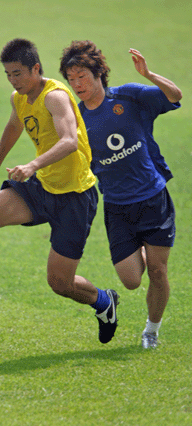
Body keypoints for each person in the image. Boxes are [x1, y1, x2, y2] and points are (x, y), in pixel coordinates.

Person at [0, 38, 120, 344]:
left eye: (18, 73)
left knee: (60, 283)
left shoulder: (56, 97)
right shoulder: (19, 98)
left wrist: (33, 165)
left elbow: (69, 141)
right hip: (43, 186)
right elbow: (14, 127)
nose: (13, 80)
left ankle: (104, 302)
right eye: (8, 74)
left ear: (36, 68)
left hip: (75, 196)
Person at [59, 41, 182, 348]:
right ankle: (144, 248)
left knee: (158, 270)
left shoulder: (129, 96)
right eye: (71, 79)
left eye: (82, 76)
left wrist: (149, 74)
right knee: (130, 281)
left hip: (153, 198)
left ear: (99, 73)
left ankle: (151, 331)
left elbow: (174, 96)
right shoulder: (76, 120)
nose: (77, 84)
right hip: (117, 207)